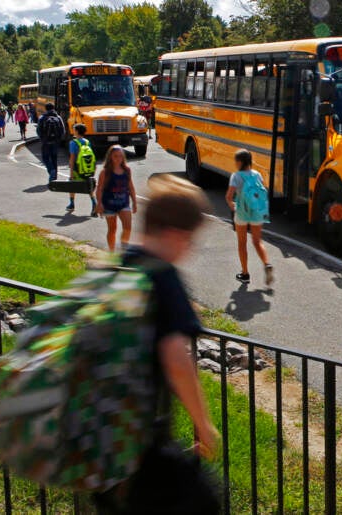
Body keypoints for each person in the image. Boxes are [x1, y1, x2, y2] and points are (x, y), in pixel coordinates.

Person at [93, 174, 221, 513]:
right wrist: (203, 425)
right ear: (177, 235)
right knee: (205, 502)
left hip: (101, 440)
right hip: (142, 441)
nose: (190, 249)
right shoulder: (162, 277)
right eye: (191, 240)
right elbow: (177, 360)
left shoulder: (118, 266)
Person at [225, 149, 274, 286]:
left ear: (239, 162)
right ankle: (267, 264)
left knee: (242, 243)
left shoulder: (236, 176)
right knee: (257, 241)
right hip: (257, 212)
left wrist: (232, 206)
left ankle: (245, 274)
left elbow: (229, 196)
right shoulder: (257, 174)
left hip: (242, 212)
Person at [95, 145, 138, 251]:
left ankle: (124, 250)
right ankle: (112, 252)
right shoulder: (105, 172)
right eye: (115, 156)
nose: (118, 159)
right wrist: (99, 204)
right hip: (109, 205)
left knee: (127, 228)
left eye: (120, 156)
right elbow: (99, 189)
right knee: (112, 229)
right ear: (110, 157)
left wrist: (134, 202)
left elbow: (131, 187)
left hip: (124, 203)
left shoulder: (127, 170)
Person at [66, 123, 98, 215]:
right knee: (89, 187)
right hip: (88, 168)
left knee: (72, 185)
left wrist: (71, 173)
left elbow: (72, 158)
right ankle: (93, 202)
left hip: (77, 168)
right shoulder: (87, 142)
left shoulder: (73, 143)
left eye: (74, 129)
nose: (73, 131)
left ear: (77, 131)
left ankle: (72, 204)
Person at [37, 103, 65, 182]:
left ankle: (51, 170)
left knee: (45, 158)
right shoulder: (58, 117)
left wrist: (42, 139)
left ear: (46, 109)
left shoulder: (42, 118)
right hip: (55, 142)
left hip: (45, 142)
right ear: (53, 108)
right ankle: (54, 178)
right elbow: (63, 130)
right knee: (54, 159)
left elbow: (38, 130)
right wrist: (58, 139)